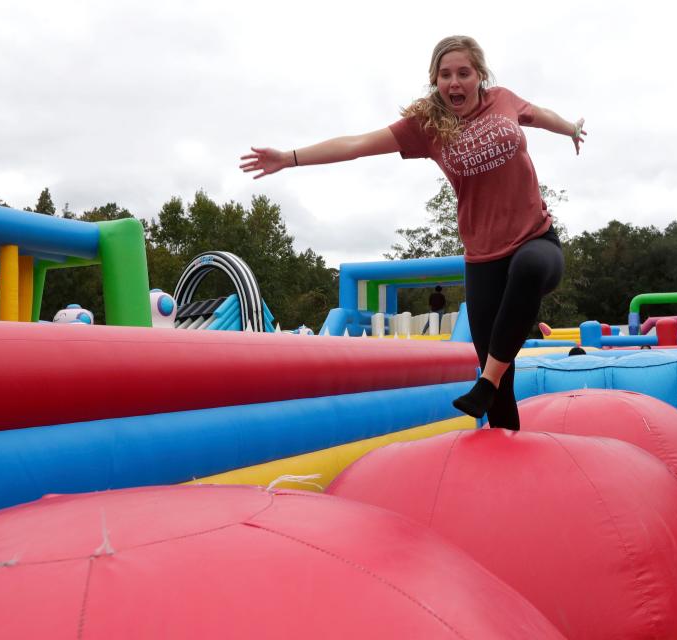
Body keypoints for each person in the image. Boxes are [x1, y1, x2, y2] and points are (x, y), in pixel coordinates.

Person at [240, 35, 585, 429]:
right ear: (435, 80)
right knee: (499, 387)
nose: (454, 82)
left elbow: (541, 114)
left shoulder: (503, 100)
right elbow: (358, 144)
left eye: (463, 73)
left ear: (479, 75)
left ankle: (486, 379)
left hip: (536, 240)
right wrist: (290, 158)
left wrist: (571, 128)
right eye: (445, 74)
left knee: (528, 270)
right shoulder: (427, 126)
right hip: (483, 260)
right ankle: (503, 441)